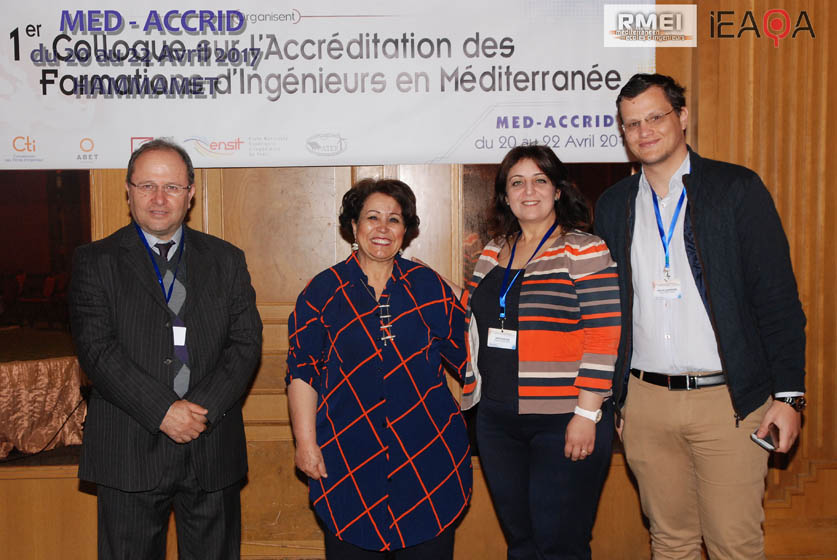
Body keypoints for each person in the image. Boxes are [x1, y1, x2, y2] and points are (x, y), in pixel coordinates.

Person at [594, 73, 807, 559]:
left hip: (729, 403)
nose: (644, 131)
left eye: (655, 117)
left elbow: (777, 301)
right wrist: (619, 401)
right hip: (646, 403)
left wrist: (789, 396)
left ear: (683, 117)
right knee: (670, 543)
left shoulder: (735, 189)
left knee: (734, 545)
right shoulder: (613, 205)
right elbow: (609, 310)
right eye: (632, 124)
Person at [68, 139, 263, 559]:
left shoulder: (227, 259)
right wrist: (163, 411)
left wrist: (198, 412)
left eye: (172, 187)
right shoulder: (95, 262)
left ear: (190, 194)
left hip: (211, 448)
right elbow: (97, 350)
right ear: (128, 191)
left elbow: (246, 342)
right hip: (128, 451)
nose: (159, 198)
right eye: (147, 186)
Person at [286, 178, 472, 559]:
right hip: (347, 461)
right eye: (372, 217)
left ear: (406, 231)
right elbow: (302, 371)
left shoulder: (428, 287)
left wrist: (462, 297)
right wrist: (305, 443)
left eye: (394, 219)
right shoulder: (322, 291)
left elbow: (474, 353)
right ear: (354, 225)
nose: (383, 228)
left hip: (429, 459)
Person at [459, 145, 621, 559]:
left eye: (539, 180)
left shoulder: (583, 249)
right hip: (497, 420)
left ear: (558, 190)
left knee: (560, 544)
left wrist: (587, 414)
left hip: (564, 419)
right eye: (517, 182)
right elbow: (471, 321)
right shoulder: (492, 251)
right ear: (505, 195)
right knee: (522, 543)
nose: (528, 191)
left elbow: (604, 334)